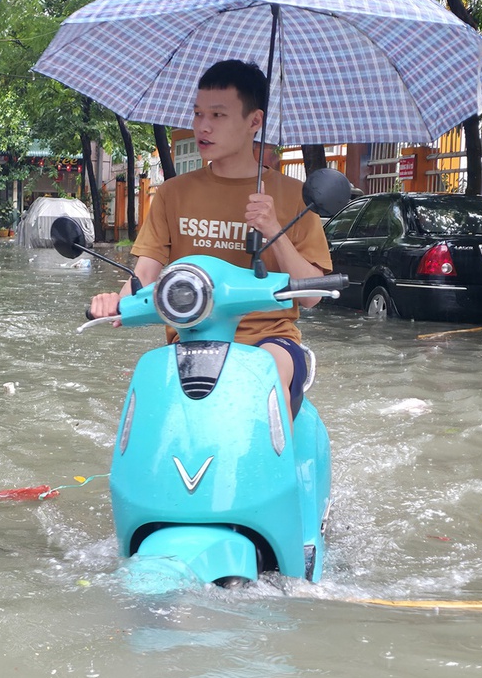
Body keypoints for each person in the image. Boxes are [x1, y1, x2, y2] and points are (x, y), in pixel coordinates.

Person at [88, 59, 332, 413]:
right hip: (188, 337)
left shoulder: (293, 196)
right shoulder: (172, 194)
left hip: (269, 339)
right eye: (198, 113)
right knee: (146, 397)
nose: (203, 126)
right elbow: (144, 275)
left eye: (218, 116)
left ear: (255, 121)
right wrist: (115, 301)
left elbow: (311, 296)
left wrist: (273, 230)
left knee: (265, 378)